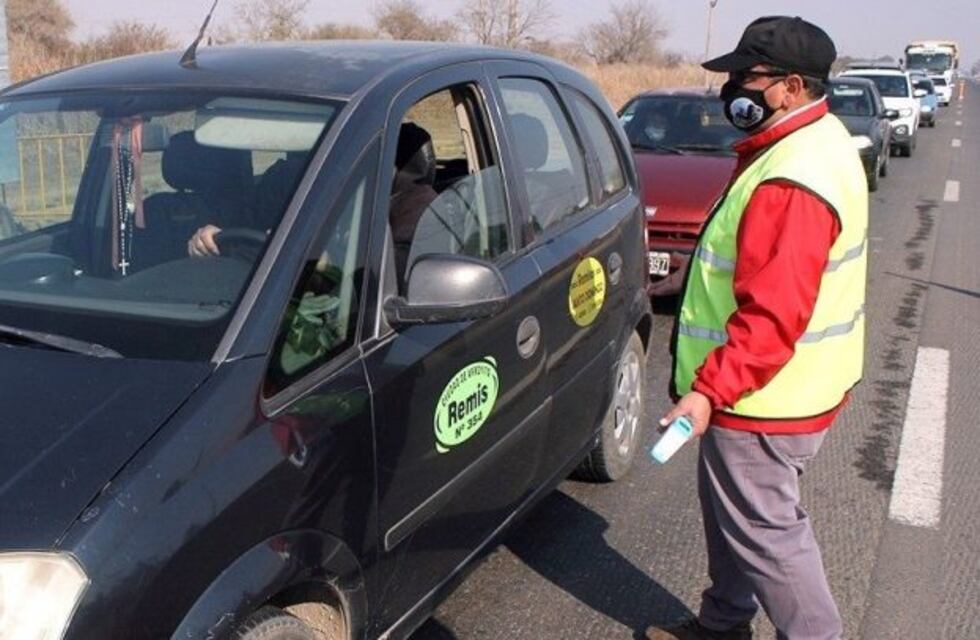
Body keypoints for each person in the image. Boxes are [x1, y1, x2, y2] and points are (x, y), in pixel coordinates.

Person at [646, 16, 867, 640]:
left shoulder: (793, 179)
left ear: (792, 86)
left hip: (763, 399)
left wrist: (709, 391)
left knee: (770, 538)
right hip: (776, 389)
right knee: (733, 518)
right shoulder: (815, 140)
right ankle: (723, 626)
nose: (733, 90)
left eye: (748, 77)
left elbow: (772, 317)